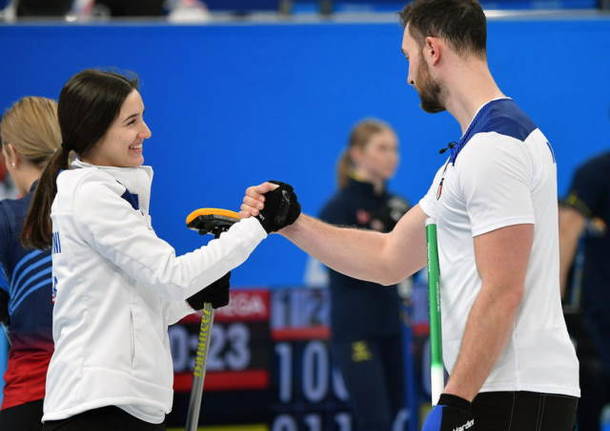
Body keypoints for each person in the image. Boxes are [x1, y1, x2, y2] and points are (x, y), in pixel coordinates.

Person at [240, 1, 580, 430]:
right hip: (498, 389)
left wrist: (456, 399)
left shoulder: (496, 146)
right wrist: (291, 222)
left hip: (510, 390)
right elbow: (389, 258)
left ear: (433, 50)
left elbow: (503, 288)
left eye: (409, 57)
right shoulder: (473, 150)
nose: (408, 76)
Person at [20, 69, 297, 431]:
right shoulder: (92, 196)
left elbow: (141, 303)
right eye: (132, 121)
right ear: (95, 129)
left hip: (120, 404)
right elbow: (171, 277)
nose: (146, 132)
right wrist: (257, 227)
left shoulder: (108, 195)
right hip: (99, 407)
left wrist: (192, 299)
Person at [320, 118, 409, 431]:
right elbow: (345, 268)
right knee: (375, 420)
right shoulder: (337, 209)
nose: (392, 156)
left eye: (395, 149)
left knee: (397, 407)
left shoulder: (399, 207)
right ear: (357, 154)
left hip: (391, 325)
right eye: (382, 148)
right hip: (356, 328)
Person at [0, 96, 61, 431]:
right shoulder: (110, 205)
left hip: (33, 395)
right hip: (108, 398)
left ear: (11, 153)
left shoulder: (9, 217)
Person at [559, 151, 610, 431]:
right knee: (590, 399)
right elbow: (565, 233)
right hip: (600, 318)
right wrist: (551, 304)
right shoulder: (596, 172)